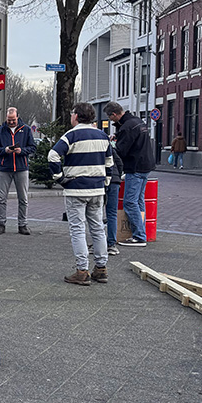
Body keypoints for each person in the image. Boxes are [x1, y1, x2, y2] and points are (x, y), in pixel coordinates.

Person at [49, 102, 113, 285]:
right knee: (98, 228)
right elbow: (109, 162)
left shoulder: (71, 135)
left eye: (72, 114)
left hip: (76, 188)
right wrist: (105, 182)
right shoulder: (103, 135)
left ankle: (82, 270)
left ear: (76, 116)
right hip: (97, 188)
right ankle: (101, 268)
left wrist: (59, 177)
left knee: (77, 229)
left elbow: (52, 156)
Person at [107, 101, 155, 247]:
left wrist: (112, 145)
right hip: (146, 165)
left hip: (135, 167)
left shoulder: (127, 127)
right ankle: (141, 232)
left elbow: (121, 151)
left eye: (109, 117)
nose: (110, 120)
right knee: (139, 200)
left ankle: (139, 236)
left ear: (114, 114)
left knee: (129, 202)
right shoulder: (138, 122)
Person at [0, 106, 36, 235]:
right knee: (1, 198)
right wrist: (5, 150)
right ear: (6, 118)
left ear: (17, 117)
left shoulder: (26, 130)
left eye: (13, 119)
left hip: (21, 168)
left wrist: (22, 151)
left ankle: (23, 224)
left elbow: (32, 147)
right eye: (9, 120)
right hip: (4, 168)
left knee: (23, 198)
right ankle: (1, 223)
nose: (11, 122)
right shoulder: (0, 131)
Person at [105, 137, 123, 256]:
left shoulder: (96, 146)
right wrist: (118, 177)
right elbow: (119, 163)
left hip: (102, 180)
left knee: (95, 212)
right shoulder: (110, 146)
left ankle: (99, 243)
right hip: (115, 180)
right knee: (112, 213)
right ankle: (111, 243)